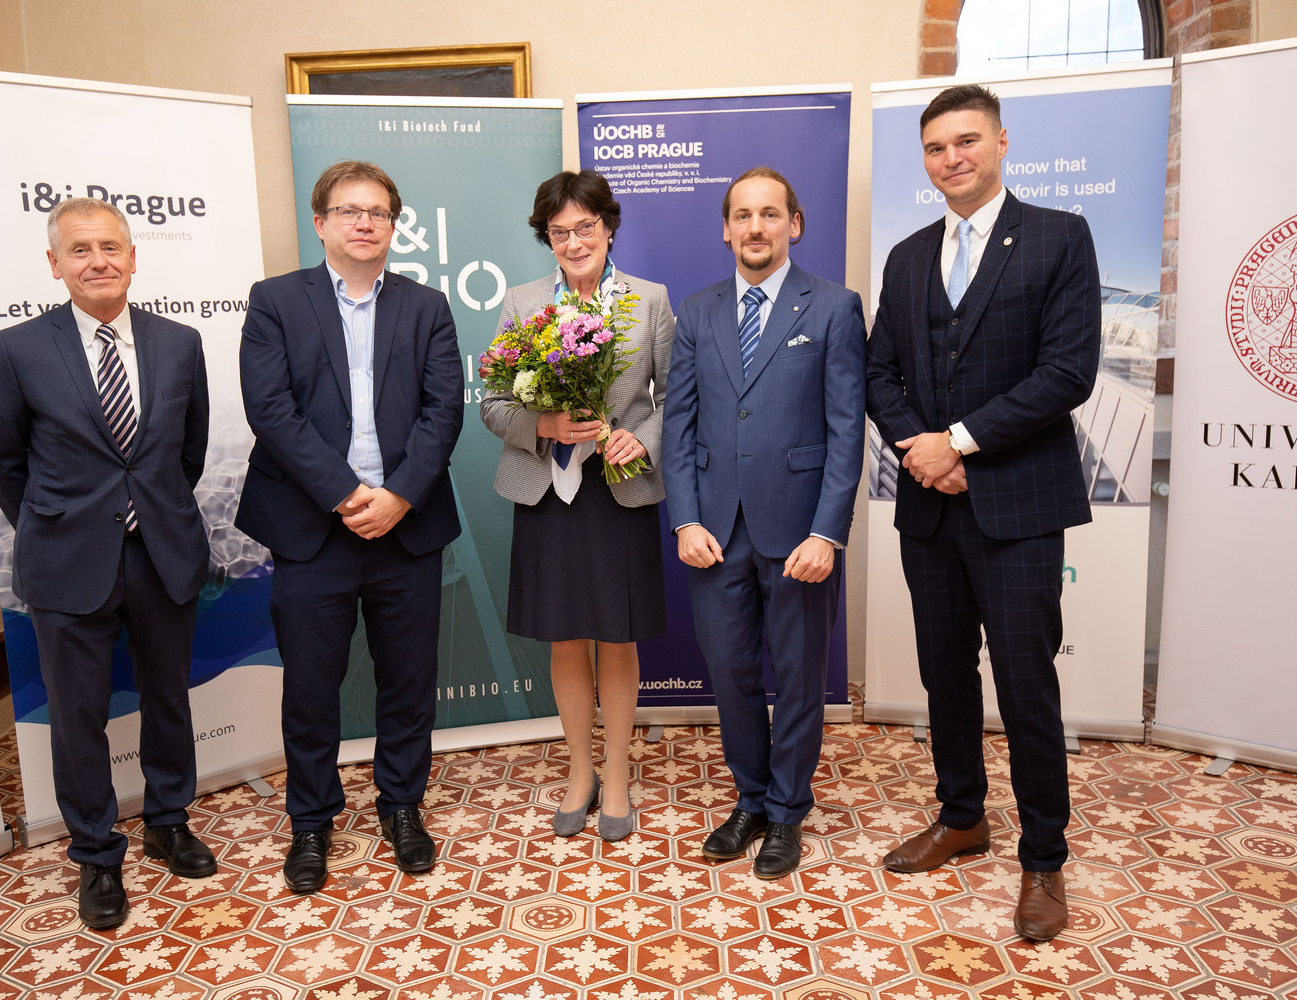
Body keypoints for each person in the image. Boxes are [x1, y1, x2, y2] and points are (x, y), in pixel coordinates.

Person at [865, 84, 1101, 942]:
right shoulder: (906, 255)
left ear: (1001, 142)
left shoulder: (1057, 238)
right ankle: (962, 816)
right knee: (944, 675)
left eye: (966, 141)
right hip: (930, 509)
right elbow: (877, 372)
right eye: (935, 148)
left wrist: (957, 442)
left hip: (1017, 505)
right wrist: (919, 449)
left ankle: (1044, 860)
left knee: (1026, 683)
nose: (951, 158)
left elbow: (1068, 372)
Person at [0, 197, 215, 930]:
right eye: (80, 250)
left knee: (168, 696)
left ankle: (168, 820)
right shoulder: (18, 348)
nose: (99, 260)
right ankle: (96, 854)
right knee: (79, 716)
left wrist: (149, 514)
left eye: (111, 246)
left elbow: (189, 452)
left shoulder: (179, 342)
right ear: (55, 265)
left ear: (134, 256)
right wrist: (58, 525)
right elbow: (0, 460)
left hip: (161, 554)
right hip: (68, 560)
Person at [235, 160, 464, 890]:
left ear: (394, 226)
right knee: (309, 686)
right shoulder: (275, 302)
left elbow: (443, 412)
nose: (364, 222)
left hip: (406, 526)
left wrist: (397, 495)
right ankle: (311, 823)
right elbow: (270, 411)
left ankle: (401, 807)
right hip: (311, 528)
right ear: (321, 222)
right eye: (348, 210)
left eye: (378, 212)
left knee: (408, 680)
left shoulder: (426, 306)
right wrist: (344, 494)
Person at [663, 167, 866, 879]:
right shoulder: (698, 311)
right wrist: (684, 519)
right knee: (731, 675)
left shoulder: (835, 309)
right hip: (715, 533)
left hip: (800, 532)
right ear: (726, 228)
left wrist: (827, 533)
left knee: (801, 678)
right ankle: (750, 798)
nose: (756, 227)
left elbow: (847, 432)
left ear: (794, 224)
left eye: (770, 215)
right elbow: (677, 429)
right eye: (743, 216)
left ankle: (786, 811)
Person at [481, 170, 674, 842]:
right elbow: (493, 400)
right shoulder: (522, 302)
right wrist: (543, 427)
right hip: (548, 491)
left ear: (608, 228)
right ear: (547, 238)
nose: (573, 241)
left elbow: (676, 399)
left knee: (616, 638)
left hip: (619, 493)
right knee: (566, 638)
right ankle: (580, 771)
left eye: (584, 227)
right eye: (559, 232)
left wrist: (637, 439)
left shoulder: (649, 301)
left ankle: (618, 773)